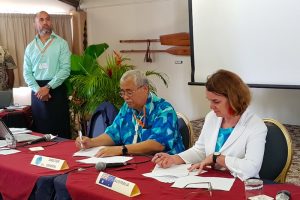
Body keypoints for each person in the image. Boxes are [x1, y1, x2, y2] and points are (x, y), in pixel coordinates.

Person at [152, 69, 268, 181]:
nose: (211, 106)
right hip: (212, 180)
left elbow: (251, 168)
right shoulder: (212, 117)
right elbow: (200, 151)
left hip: (239, 184)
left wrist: (216, 158)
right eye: (209, 100)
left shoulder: (255, 125)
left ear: (234, 99)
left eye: (216, 101)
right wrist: (173, 159)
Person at [75, 70, 185, 157]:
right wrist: (91, 142)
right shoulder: (127, 108)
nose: (125, 97)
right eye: (122, 92)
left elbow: (157, 144)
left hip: (163, 165)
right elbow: (113, 133)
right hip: (132, 162)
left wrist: (122, 149)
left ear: (145, 89)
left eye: (129, 92)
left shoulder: (164, 110)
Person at [23, 11, 71, 138]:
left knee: (60, 132)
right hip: (37, 92)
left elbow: (65, 69)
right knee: (40, 133)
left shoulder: (61, 43)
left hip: (56, 89)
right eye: (41, 20)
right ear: (35, 24)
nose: (45, 22)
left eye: (48, 19)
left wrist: (48, 87)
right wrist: (38, 90)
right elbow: (27, 73)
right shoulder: (30, 47)